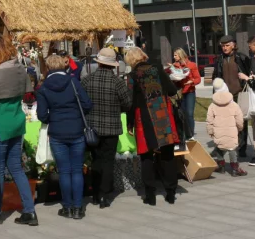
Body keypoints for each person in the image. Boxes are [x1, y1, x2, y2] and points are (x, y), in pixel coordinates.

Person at [0, 36, 37, 226]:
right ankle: (30, 211)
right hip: (16, 121)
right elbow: (26, 92)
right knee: (16, 168)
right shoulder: (19, 69)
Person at [36, 53, 90, 220]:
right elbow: (87, 104)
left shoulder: (43, 88)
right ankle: (78, 208)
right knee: (77, 170)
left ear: (48, 68)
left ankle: (67, 207)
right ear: (63, 65)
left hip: (57, 132)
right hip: (76, 130)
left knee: (64, 171)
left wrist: (53, 116)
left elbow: (42, 115)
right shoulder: (73, 82)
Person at [126, 47, 180, 206]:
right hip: (163, 114)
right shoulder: (157, 68)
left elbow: (130, 102)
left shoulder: (132, 76)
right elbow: (171, 90)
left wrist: (130, 123)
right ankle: (170, 192)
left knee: (146, 156)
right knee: (167, 154)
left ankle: (150, 195)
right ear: (144, 56)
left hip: (143, 117)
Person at [81, 47, 131, 209]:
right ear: (113, 65)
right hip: (112, 127)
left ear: (99, 63)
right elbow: (128, 104)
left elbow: (81, 102)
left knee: (96, 160)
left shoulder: (88, 80)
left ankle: (95, 194)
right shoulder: (118, 82)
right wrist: (117, 108)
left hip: (93, 128)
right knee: (108, 161)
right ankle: (104, 195)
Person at [211, 35, 251, 159]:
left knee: (241, 121)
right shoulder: (219, 59)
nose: (224, 48)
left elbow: (249, 73)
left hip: (240, 94)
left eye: (227, 45)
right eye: (222, 46)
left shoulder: (242, 57)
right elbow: (216, 76)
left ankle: (241, 147)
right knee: (225, 122)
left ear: (234, 45)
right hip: (225, 96)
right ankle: (224, 146)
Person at [206, 78, 246, 176]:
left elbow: (209, 121)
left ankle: (221, 166)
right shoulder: (234, 105)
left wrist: (211, 131)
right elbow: (240, 119)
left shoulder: (212, 105)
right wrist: (239, 128)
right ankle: (234, 168)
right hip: (231, 131)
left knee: (219, 146)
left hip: (218, 131)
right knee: (231, 148)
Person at [170, 48, 201, 141]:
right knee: (182, 114)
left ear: (180, 55)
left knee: (189, 113)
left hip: (190, 92)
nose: (174, 57)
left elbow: (198, 79)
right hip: (180, 93)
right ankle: (183, 133)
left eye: (175, 55)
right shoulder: (174, 66)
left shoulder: (191, 65)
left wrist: (192, 82)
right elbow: (175, 80)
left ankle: (191, 134)